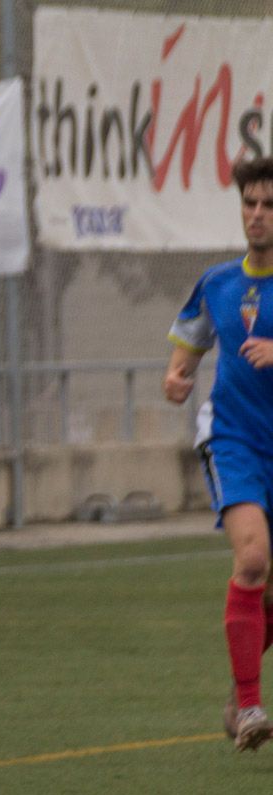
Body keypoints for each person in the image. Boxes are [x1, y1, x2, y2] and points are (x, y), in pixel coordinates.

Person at [164, 156, 273, 753]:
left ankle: (238, 693)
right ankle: (252, 707)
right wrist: (175, 380)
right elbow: (183, 357)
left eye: (268, 205)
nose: (257, 215)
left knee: (269, 594)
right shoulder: (217, 283)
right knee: (253, 558)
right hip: (234, 441)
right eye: (249, 204)